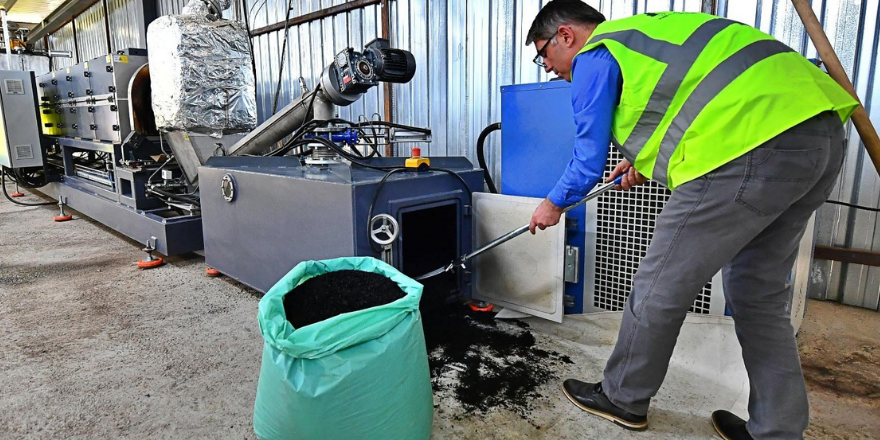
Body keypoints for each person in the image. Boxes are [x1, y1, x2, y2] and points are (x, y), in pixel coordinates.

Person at [524, 1, 859, 439]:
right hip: (821, 136)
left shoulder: (596, 54)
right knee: (756, 293)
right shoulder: (651, 36)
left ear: (566, 35)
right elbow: (691, 103)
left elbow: (587, 160)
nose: (548, 69)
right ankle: (775, 431)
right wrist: (642, 162)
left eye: (544, 55)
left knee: (659, 285)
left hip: (746, 149)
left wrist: (553, 204)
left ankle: (622, 397)